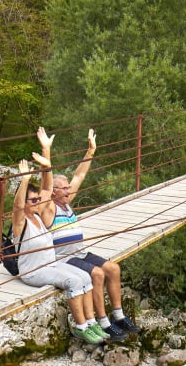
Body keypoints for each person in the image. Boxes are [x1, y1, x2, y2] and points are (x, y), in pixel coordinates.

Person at [9, 137, 122, 344]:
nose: (38, 201)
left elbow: (46, 188)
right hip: (34, 270)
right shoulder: (21, 222)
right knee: (74, 281)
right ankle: (81, 327)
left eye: (38, 199)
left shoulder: (37, 216)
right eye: (33, 200)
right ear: (25, 202)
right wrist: (24, 180)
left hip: (50, 264)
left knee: (86, 278)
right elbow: (18, 206)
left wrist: (46, 162)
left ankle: (92, 323)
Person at [45, 127, 135, 337]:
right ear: (53, 192)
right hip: (65, 258)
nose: (68, 190)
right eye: (63, 188)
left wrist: (90, 151)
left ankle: (119, 315)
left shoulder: (66, 202)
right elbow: (46, 183)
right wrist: (46, 154)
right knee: (97, 274)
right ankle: (103, 322)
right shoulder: (49, 208)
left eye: (68, 188)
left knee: (113, 269)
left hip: (80, 252)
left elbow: (80, 175)